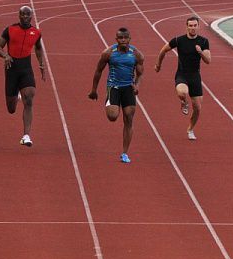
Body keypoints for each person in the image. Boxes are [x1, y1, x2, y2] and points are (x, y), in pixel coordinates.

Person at [89, 27, 145, 163]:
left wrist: (137, 86)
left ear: (130, 39)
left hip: (128, 88)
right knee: (113, 116)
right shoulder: (108, 53)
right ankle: (110, 101)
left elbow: (140, 74)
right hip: (113, 87)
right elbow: (98, 71)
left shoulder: (137, 54)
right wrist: (94, 90)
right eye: (121, 38)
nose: (123, 40)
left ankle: (125, 153)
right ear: (116, 39)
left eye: (126, 38)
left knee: (129, 118)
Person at [0, 6, 45, 147]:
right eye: (22, 14)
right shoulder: (10, 30)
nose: (25, 17)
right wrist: (5, 55)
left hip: (26, 68)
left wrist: (42, 65)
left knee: (29, 98)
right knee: (11, 109)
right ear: (19, 16)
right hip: (11, 68)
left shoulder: (36, 32)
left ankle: (26, 135)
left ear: (32, 16)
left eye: (27, 15)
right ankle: (15, 94)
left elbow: (38, 48)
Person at [155, 16, 210, 140]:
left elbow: (208, 60)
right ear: (186, 26)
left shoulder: (203, 41)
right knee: (182, 92)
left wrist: (200, 52)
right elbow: (163, 51)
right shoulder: (179, 40)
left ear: (198, 26)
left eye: (195, 25)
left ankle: (190, 129)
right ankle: (184, 102)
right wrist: (158, 64)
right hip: (182, 74)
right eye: (190, 25)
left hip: (195, 76)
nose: (192, 28)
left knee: (197, 108)